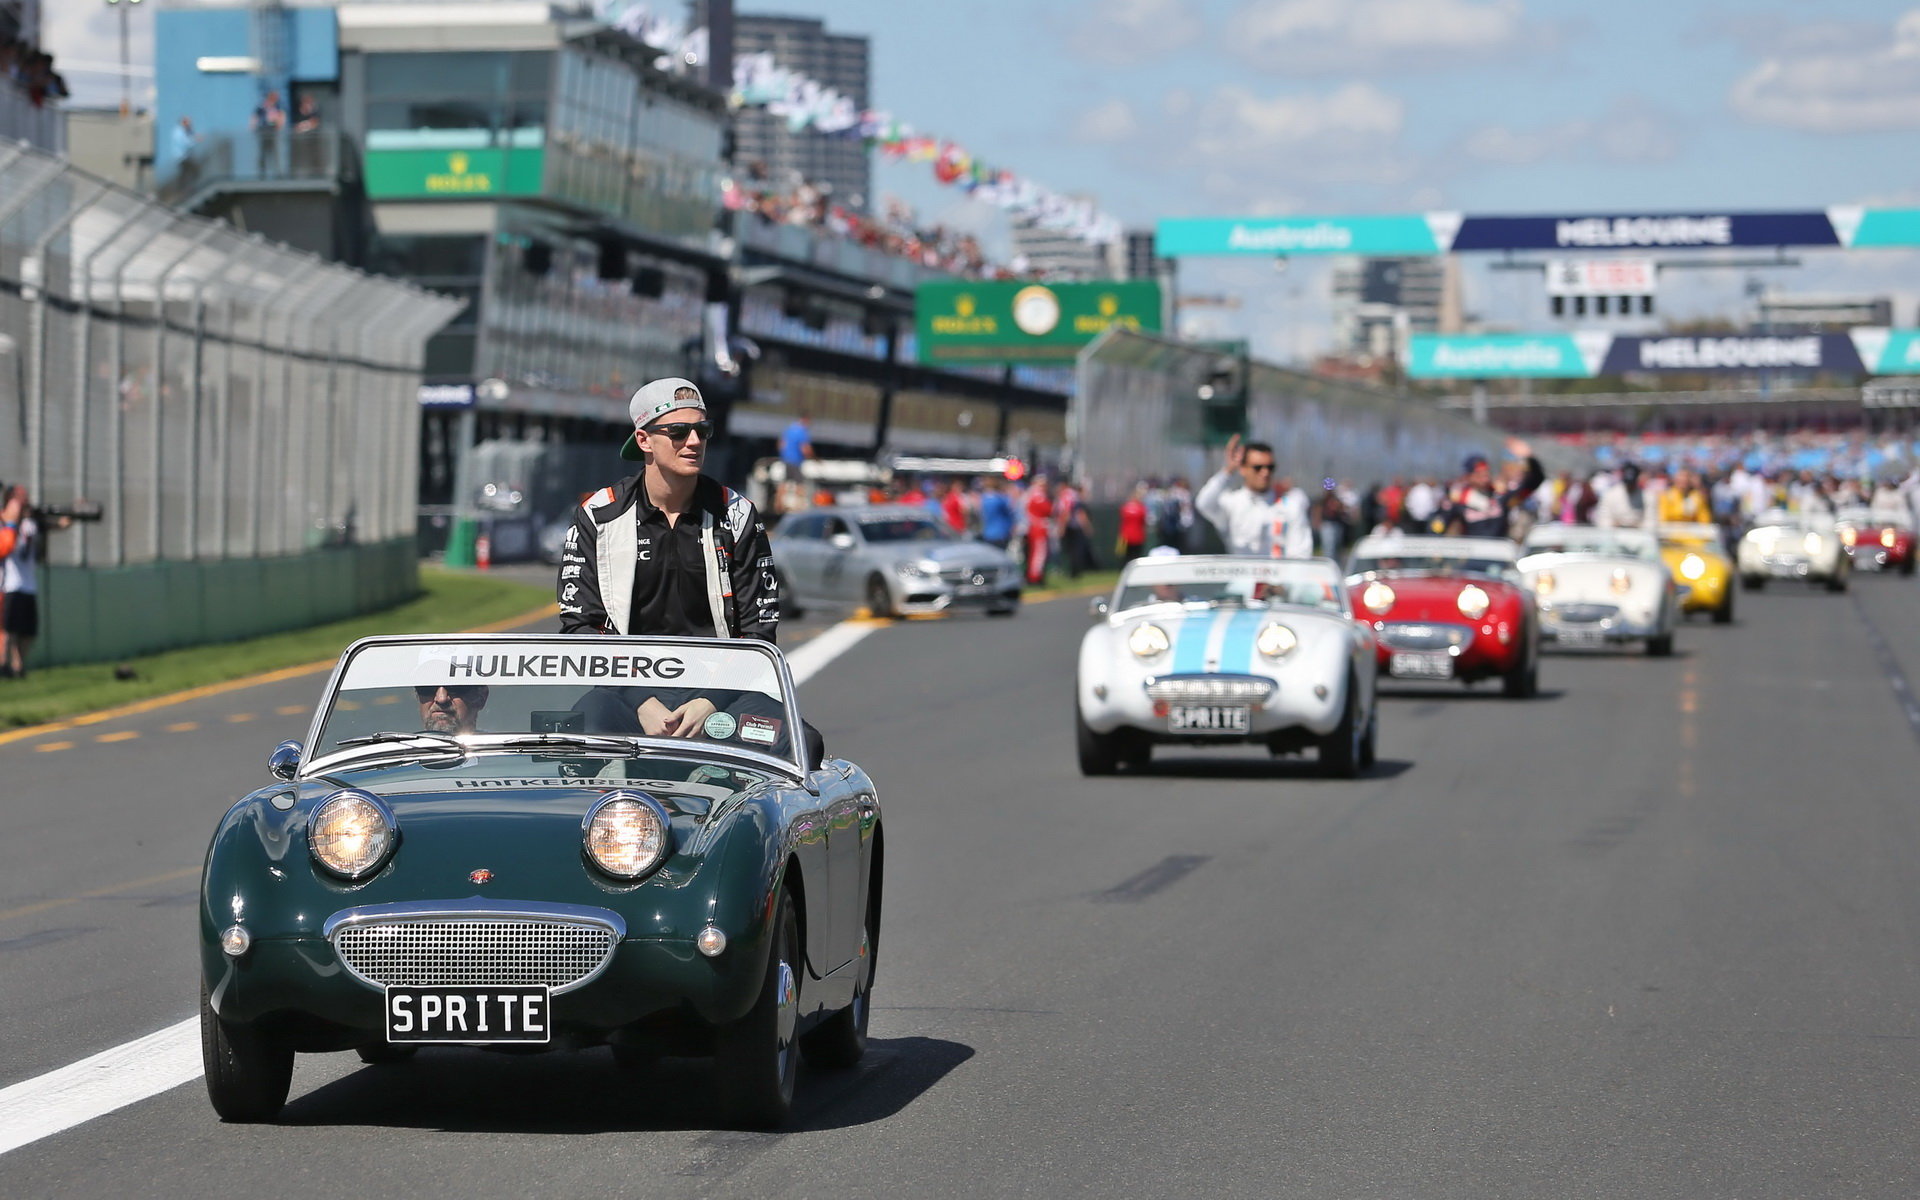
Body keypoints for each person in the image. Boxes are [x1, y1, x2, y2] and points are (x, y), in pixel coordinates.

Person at [558, 378, 781, 740]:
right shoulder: (598, 514)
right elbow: (580, 626)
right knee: (574, 736)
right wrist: (642, 702)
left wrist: (710, 701)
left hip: (721, 693)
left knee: (799, 743)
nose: (694, 442)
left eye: (702, 431)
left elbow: (760, 631)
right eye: (678, 432)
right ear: (644, 440)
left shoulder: (738, 513)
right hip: (626, 692)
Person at [1195, 434, 1311, 558]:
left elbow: (1300, 552)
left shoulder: (1290, 504)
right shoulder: (1232, 503)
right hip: (1241, 575)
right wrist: (1228, 471)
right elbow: (1204, 504)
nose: (1265, 472)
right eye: (1258, 467)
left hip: (1280, 576)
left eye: (1270, 467)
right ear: (1242, 469)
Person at [0, 483, 66, 678]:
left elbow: (58, 524)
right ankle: (4, 665)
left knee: (28, 631)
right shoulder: (6, 522)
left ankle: (19, 667)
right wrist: (12, 523)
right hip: (9, 585)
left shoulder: (33, 522)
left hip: (29, 586)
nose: (24, 499)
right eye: (19, 497)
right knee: (7, 629)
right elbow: (6, 547)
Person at [1443, 442, 1543, 538]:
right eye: (1479, 474)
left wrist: (1529, 457)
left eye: (1486, 473)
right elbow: (1438, 527)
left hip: (1500, 550)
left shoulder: (1501, 496)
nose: (1485, 478)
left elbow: (1534, 482)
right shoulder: (1459, 500)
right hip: (1472, 551)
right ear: (1467, 476)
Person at [416, 684, 489, 735]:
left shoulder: (497, 752)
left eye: (455, 687)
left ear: (481, 698)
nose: (441, 699)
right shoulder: (405, 752)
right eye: (427, 688)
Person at [979, 477, 1015, 549]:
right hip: (1000, 533)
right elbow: (1011, 511)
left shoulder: (983, 499)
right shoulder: (1001, 499)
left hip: (988, 533)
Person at [1117, 483, 1150, 563]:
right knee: (1136, 556)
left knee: (1126, 556)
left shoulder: (1125, 507)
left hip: (1126, 536)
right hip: (1137, 536)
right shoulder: (1141, 508)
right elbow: (1144, 522)